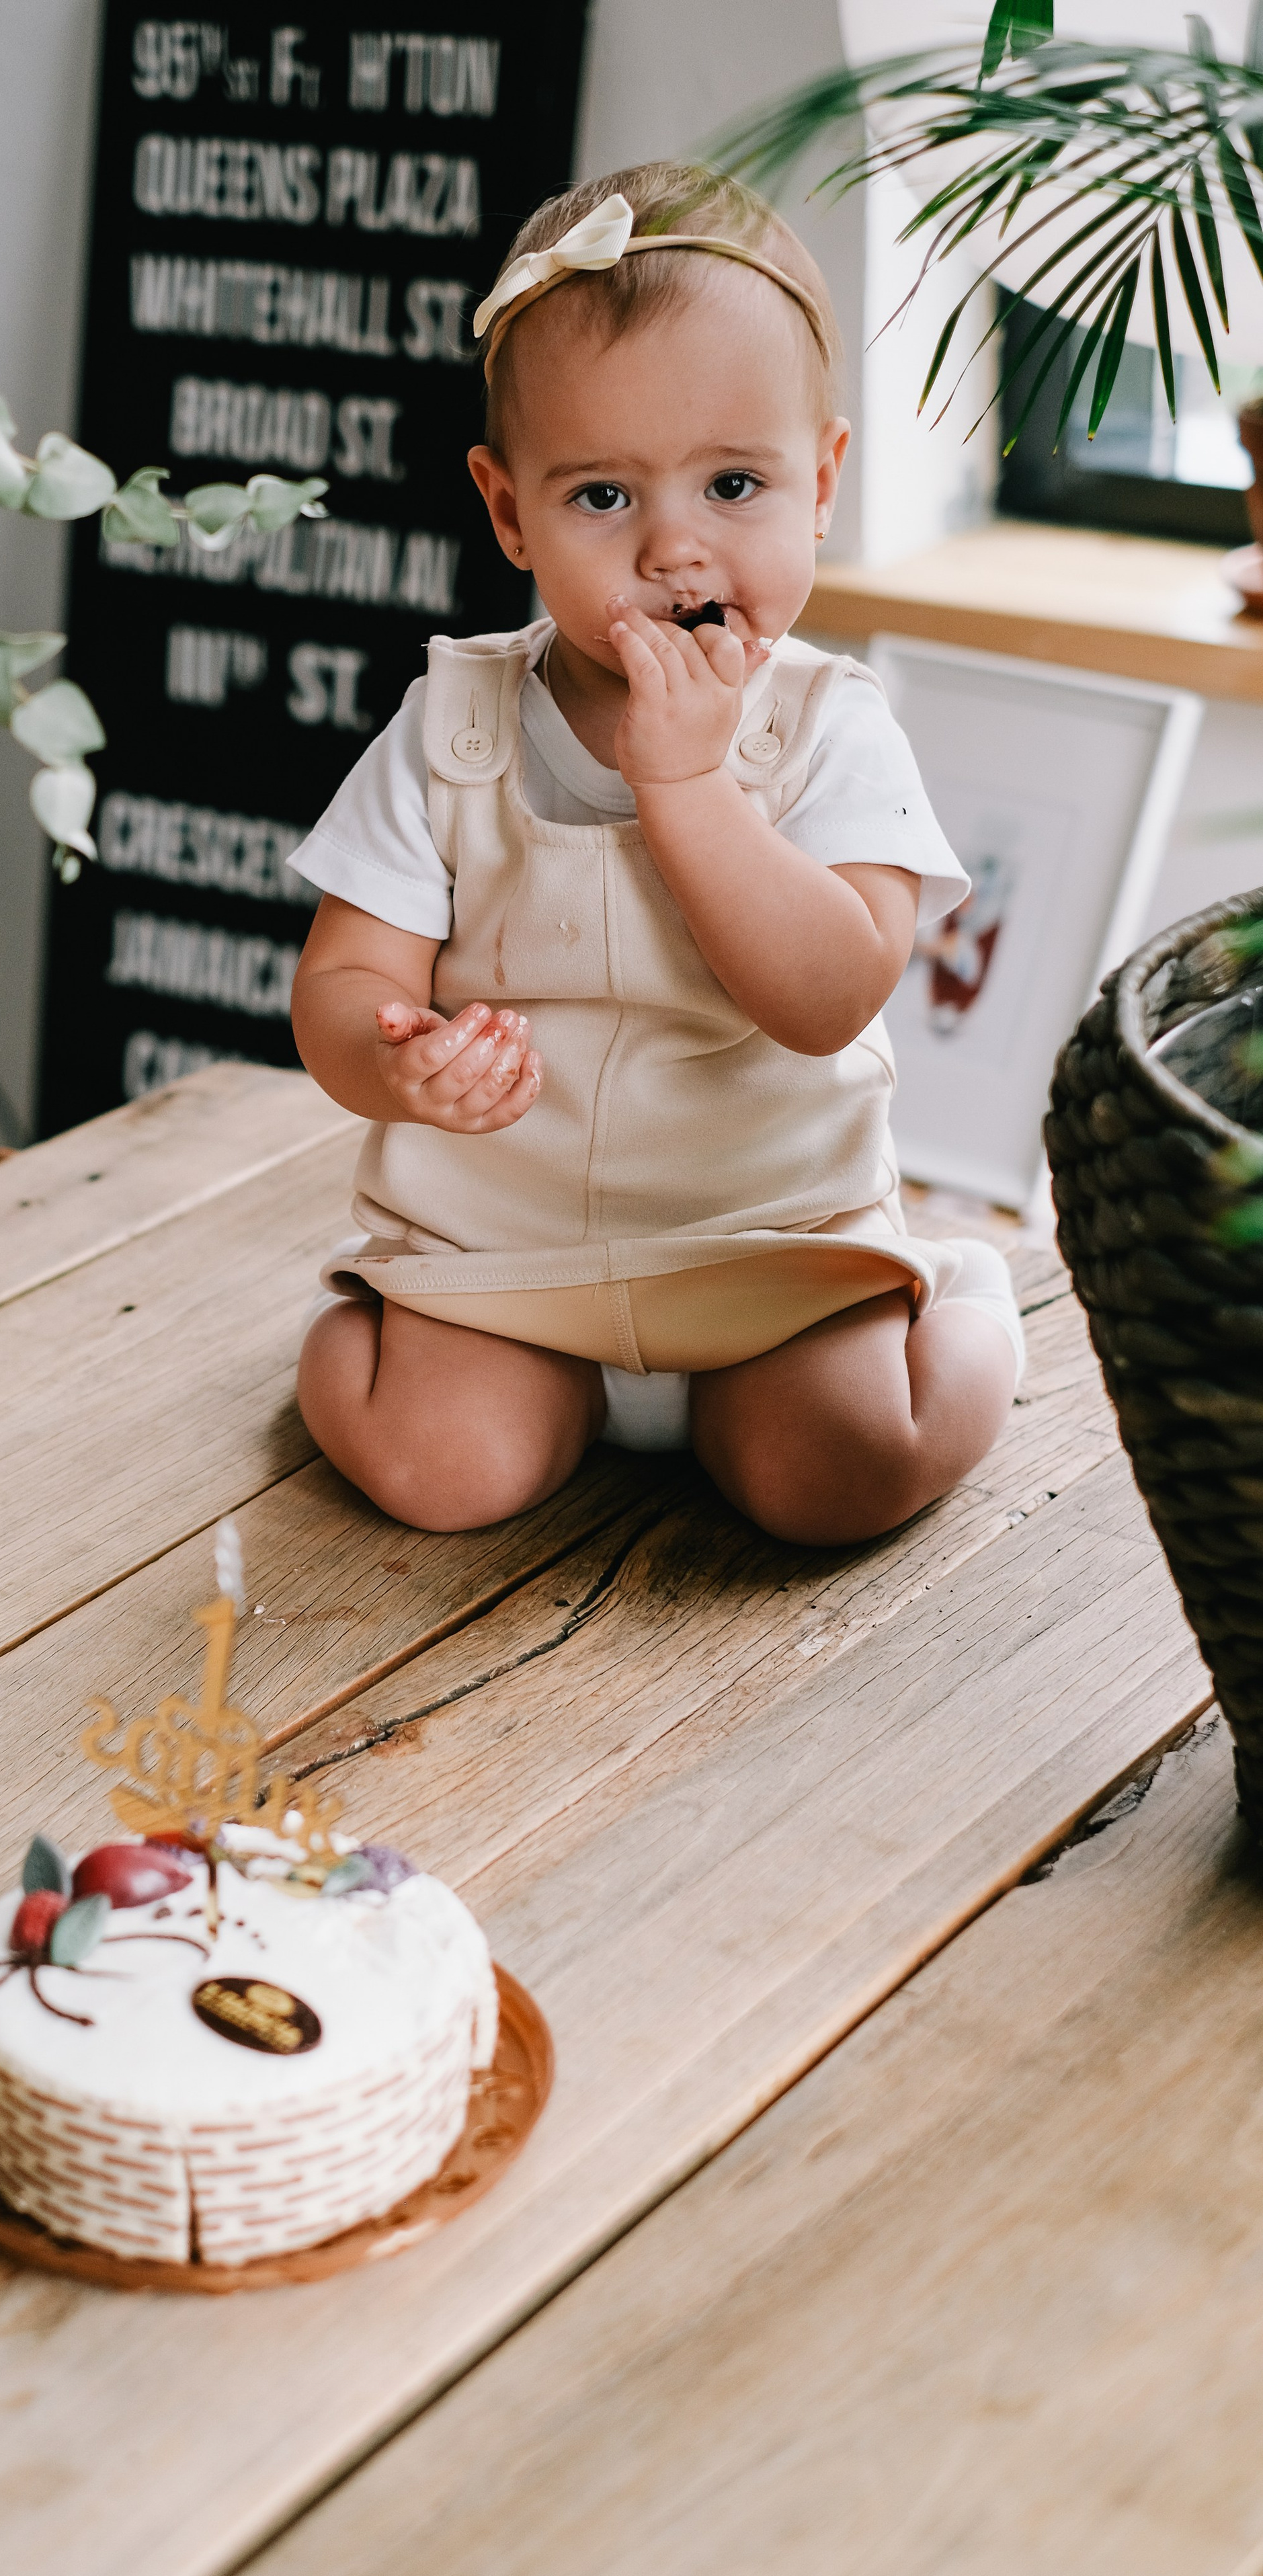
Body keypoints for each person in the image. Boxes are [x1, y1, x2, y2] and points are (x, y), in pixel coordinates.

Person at [286, 162, 1024, 1544]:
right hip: (502, 1256)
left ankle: (965, 1309)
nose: (675, 549)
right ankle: (356, 1329)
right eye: (601, 499)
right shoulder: (450, 722)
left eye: (732, 483)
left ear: (821, 482)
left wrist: (687, 786)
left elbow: (825, 998)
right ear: (508, 513)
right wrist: (387, 1055)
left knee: (844, 1475)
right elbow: (337, 982)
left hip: (769, 1249)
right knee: (437, 1474)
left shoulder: (829, 731)